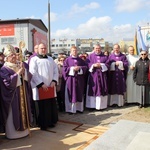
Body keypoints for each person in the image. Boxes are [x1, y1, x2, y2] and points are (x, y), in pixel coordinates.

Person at [0, 44, 32, 139]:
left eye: (14, 54)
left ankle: (25, 130)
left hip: (23, 94)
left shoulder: (19, 65)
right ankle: (13, 134)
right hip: (12, 97)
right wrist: (18, 74)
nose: (14, 56)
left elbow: (29, 77)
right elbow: (7, 83)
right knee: (13, 114)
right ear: (6, 58)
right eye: (11, 55)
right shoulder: (4, 69)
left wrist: (24, 72)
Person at [29, 43, 58, 131]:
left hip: (50, 86)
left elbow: (55, 71)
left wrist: (54, 81)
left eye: (45, 48)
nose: (43, 50)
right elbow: (33, 72)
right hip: (40, 87)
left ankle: (51, 122)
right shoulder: (34, 59)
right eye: (42, 48)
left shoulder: (50, 59)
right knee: (41, 106)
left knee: (50, 104)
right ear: (38, 49)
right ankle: (42, 124)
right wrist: (41, 84)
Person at [63, 46, 88, 114]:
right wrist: (72, 69)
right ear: (71, 51)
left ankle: (79, 109)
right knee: (71, 94)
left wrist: (79, 68)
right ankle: (70, 110)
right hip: (71, 80)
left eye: (76, 50)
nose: (74, 51)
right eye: (73, 50)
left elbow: (86, 67)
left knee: (79, 93)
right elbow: (64, 69)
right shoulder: (67, 60)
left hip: (79, 79)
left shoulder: (80, 60)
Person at [86, 44, 109, 110]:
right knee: (93, 89)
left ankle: (101, 106)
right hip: (93, 76)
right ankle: (92, 106)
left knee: (101, 89)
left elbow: (108, 64)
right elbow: (87, 64)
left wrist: (101, 65)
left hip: (102, 76)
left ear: (100, 49)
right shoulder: (90, 56)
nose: (97, 50)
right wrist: (93, 65)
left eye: (99, 48)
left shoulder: (104, 56)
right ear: (94, 48)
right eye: (96, 48)